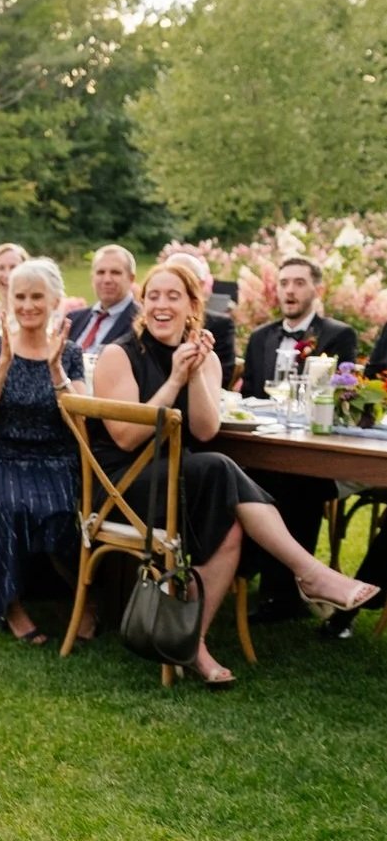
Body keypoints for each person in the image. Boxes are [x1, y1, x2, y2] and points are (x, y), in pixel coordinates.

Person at [91, 260, 376, 687]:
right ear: (143, 305)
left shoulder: (199, 355)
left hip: (181, 480)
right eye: (154, 296)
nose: (161, 305)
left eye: (174, 296)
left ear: (192, 307)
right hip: (124, 484)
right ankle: (309, 572)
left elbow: (205, 429)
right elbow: (129, 437)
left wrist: (199, 373)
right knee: (221, 469)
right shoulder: (120, 355)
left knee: (231, 529)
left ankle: (193, 644)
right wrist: (173, 380)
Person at [236, 255, 359, 624]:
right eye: (284, 282)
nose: (289, 290)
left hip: (315, 450)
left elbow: (337, 399)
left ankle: (281, 592)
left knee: (296, 482)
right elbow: (250, 399)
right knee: (253, 480)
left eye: (299, 283)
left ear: (316, 290)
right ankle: (259, 576)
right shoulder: (260, 337)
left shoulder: (338, 335)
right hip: (264, 445)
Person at [0, 258, 88, 644]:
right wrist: (5, 361)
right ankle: (11, 605)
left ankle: (85, 599)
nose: (27, 305)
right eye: (19, 296)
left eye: (37, 296)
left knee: (62, 515)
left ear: (55, 300)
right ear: (7, 300)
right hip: (2, 456)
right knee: (14, 507)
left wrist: (57, 372)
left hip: (58, 458)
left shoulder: (69, 353)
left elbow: (82, 418)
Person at [159, 244, 237, 385]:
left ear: (199, 285)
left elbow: (223, 379)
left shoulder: (220, 325)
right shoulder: (151, 323)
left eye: (184, 279)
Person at [67, 244, 138, 349]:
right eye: (100, 272)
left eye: (115, 272)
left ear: (131, 279)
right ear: (92, 278)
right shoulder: (72, 320)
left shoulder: (140, 324)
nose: (107, 280)